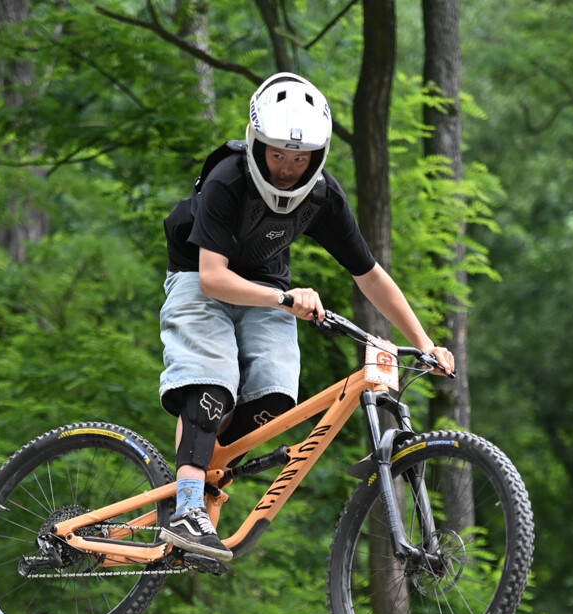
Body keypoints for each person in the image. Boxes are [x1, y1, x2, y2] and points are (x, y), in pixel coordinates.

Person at [157, 72, 456, 563]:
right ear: (257, 145)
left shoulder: (322, 198)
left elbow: (371, 275)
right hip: (200, 274)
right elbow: (212, 277)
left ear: (317, 158)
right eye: (278, 155)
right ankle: (185, 505)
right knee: (213, 381)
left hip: (270, 287)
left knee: (274, 401)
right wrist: (284, 301)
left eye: (300, 159)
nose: (287, 169)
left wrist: (424, 342)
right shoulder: (227, 178)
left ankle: (205, 473)